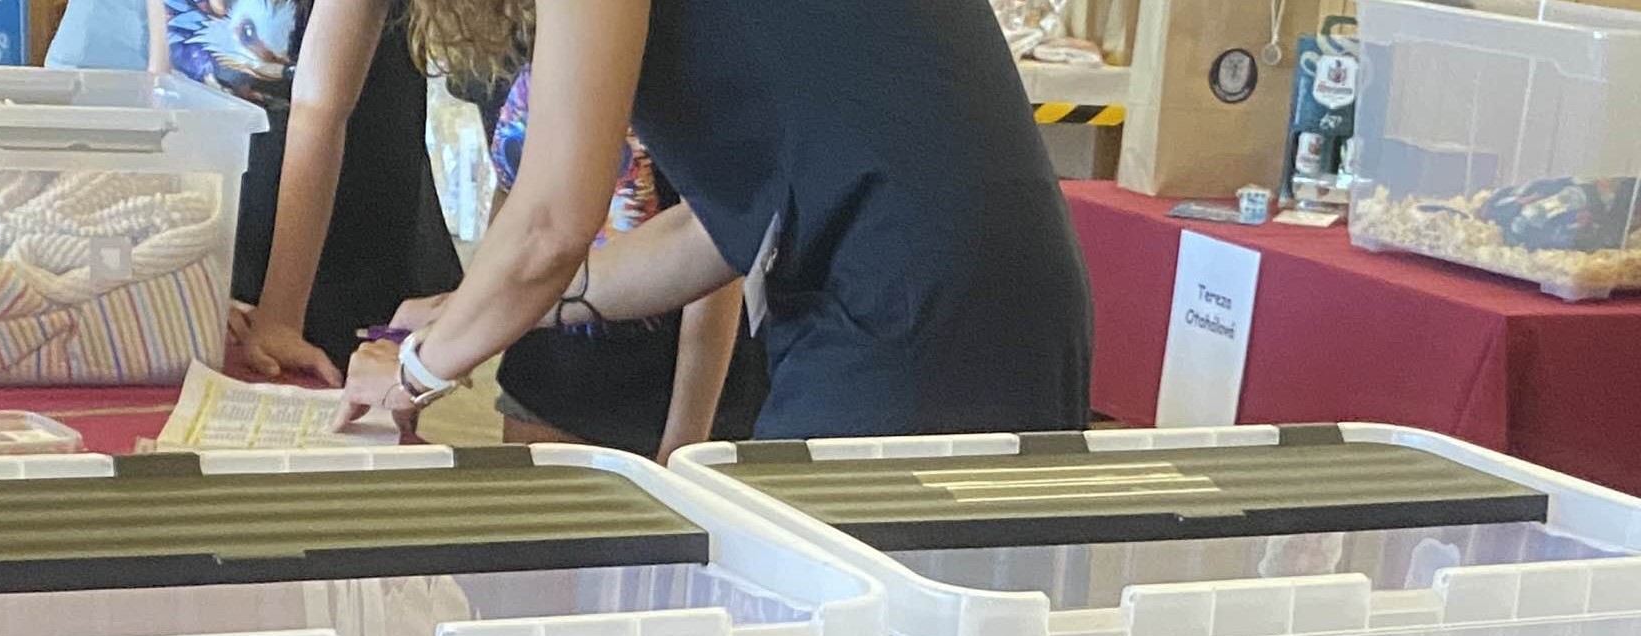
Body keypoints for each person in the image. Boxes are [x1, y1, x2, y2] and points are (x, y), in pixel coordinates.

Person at [340, 0, 1093, 442]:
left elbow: (549, 224)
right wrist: (470, 313)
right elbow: (711, 230)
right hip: (1010, 295)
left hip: (906, 312)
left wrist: (415, 370)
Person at [160, 0, 462, 383]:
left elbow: (318, 112)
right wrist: (188, 276)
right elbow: (166, 89)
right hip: (226, 222)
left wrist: (281, 319)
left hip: (332, 239)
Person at [484, 65, 766, 456]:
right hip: (542, 386)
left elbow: (715, 247)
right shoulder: (495, 47)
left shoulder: (680, 55)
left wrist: (683, 442)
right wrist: (457, 340)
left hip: (682, 401)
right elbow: (510, 189)